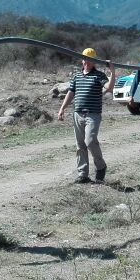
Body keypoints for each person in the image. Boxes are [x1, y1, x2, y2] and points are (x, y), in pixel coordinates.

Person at [57, 48, 116, 184]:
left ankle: (101, 167)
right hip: (78, 114)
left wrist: (112, 72)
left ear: (94, 62)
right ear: (82, 60)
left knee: (90, 141)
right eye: (85, 59)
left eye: (90, 60)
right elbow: (71, 93)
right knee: (80, 145)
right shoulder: (77, 76)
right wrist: (62, 108)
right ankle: (83, 174)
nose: (87, 62)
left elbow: (110, 87)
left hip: (93, 114)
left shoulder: (99, 75)